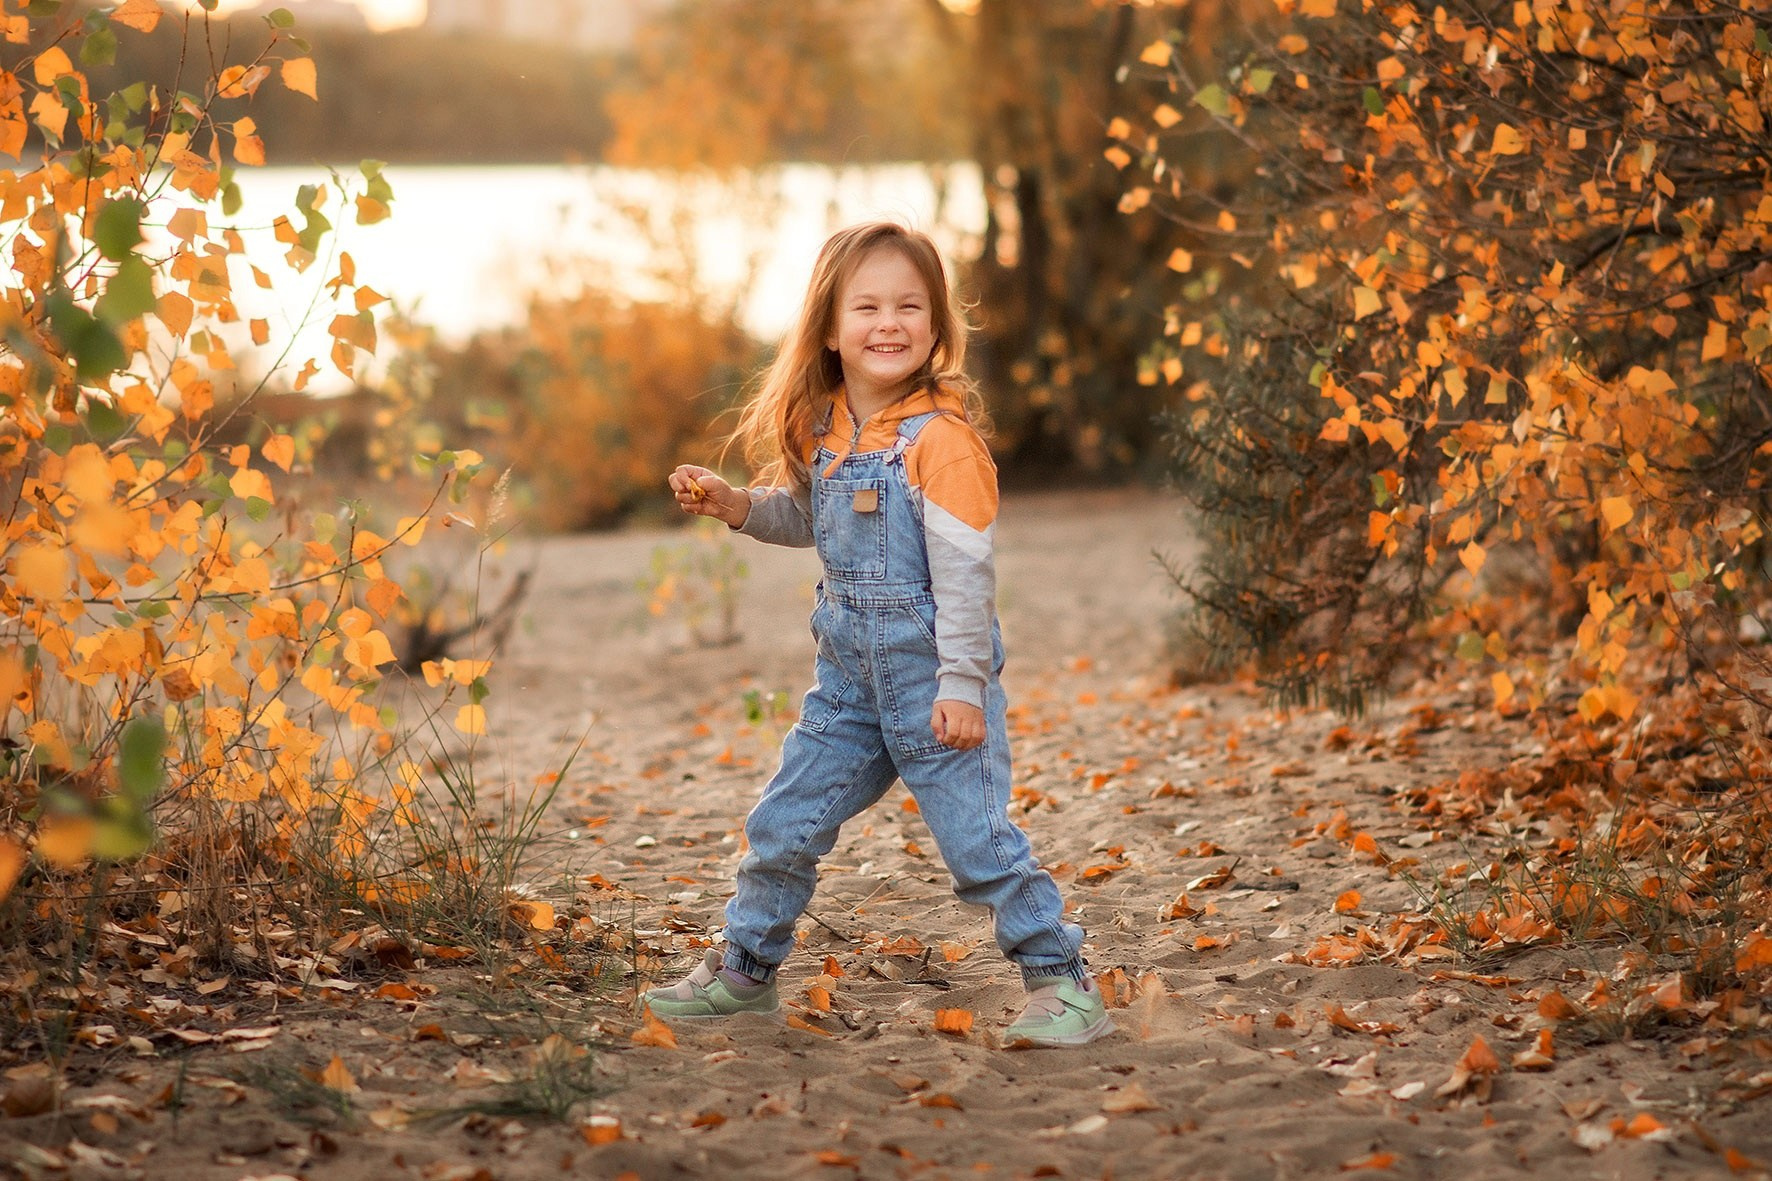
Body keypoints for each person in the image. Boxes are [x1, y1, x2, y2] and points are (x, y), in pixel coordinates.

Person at [644, 221, 1111, 1048]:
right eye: (867, 306)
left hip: (936, 688)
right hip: (848, 689)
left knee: (981, 846)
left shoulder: (943, 442)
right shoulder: (821, 430)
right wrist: (739, 505)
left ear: (935, 326)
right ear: (830, 326)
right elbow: (809, 516)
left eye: (908, 305)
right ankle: (745, 970)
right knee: (783, 824)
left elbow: (967, 577)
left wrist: (964, 682)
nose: (887, 322)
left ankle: (1060, 980)